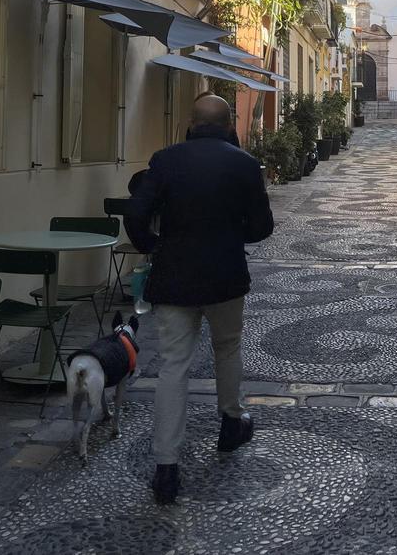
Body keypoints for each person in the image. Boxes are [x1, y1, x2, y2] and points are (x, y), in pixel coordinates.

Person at [125, 94, 274, 504]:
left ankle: (167, 467)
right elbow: (263, 227)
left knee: (174, 365)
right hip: (225, 275)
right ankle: (231, 423)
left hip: (175, 276)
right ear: (230, 126)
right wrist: (228, 238)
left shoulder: (165, 159)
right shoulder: (244, 164)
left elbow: (135, 213)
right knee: (227, 348)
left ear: (190, 123)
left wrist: (154, 246)